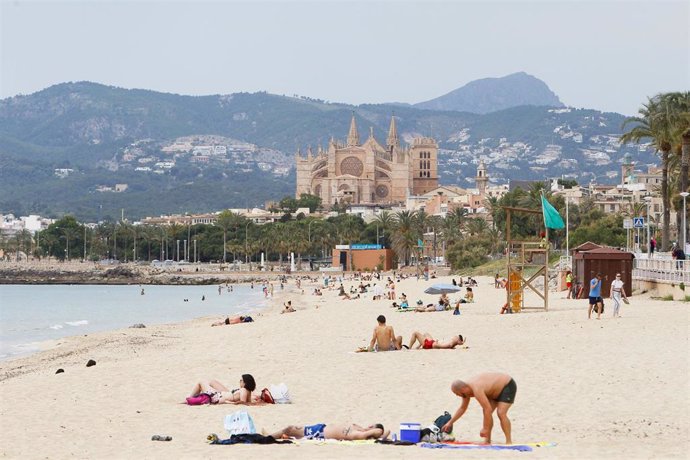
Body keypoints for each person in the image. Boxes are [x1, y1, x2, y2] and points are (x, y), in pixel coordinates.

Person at [442, 373, 517, 445]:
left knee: (501, 413)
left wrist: (485, 428)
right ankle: (487, 441)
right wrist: (450, 422)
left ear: (463, 389)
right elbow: (462, 408)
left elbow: (487, 409)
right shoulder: (465, 391)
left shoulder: (476, 388)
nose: (457, 395)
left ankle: (508, 441)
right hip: (493, 391)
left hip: (507, 385)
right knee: (487, 412)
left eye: (456, 393)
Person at [270, 423, 389, 441]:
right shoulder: (359, 428)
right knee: (291, 430)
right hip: (321, 427)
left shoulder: (359, 434)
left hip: (319, 433)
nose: (369, 426)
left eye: (371, 426)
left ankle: (268, 436)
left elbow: (383, 432)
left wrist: (376, 431)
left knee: (290, 429)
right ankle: (273, 435)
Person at [188, 374, 257, 404]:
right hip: (223, 395)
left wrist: (229, 403)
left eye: (241, 380)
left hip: (218, 397)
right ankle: (191, 398)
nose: (239, 382)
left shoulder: (243, 390)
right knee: (212, 381)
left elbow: (243, 402)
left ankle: (189, 398)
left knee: (201, 382)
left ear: (245, 383)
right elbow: (248, 402)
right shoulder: (248, 391)